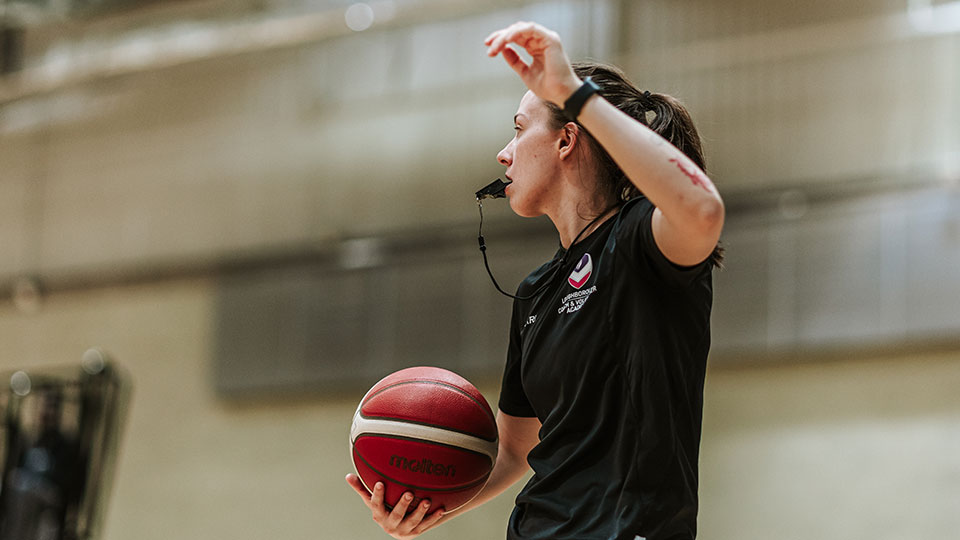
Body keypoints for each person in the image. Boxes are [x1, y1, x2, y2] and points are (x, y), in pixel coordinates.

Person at [346, 20, 724, 540]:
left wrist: (570, 90)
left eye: (520, 129)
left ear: (568, 139)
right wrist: (427, 507)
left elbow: (702, 209)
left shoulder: (643, 243)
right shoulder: (536, 291)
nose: (504, 153)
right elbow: (516, 450)